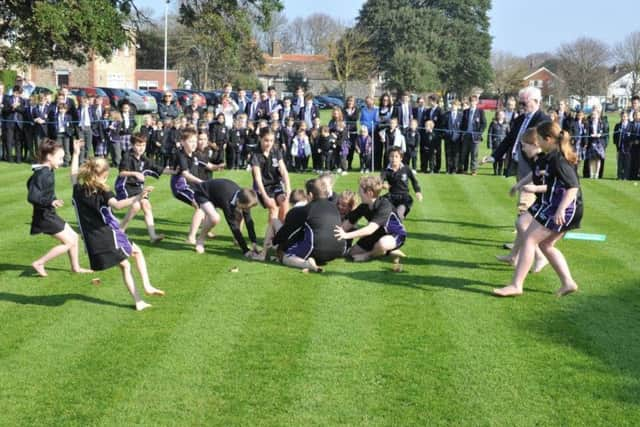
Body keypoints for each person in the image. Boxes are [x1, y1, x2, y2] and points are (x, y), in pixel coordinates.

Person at [70, 142, 165, 311]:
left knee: (129, 260)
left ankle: (142, 296)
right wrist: (139, 196)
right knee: (132, 259)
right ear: (104, 175)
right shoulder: (103, 191)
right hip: (108, 236)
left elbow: (73, 174)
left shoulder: (78, 189)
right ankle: (142, 295)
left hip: (92, 241)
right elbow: (118, 205)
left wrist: (76, 153)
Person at [494, 122, 582, 297]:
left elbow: (573, 187)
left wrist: (560, 210)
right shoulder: (551, 157)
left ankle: (516, 285)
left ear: (548, 139)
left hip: (560, 207)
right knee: (545, 244)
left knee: (529, 240)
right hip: (554, 205)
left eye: (539, 139)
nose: (538, 143)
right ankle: (568, 282)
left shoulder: (558, 160)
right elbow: (554, 185)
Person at [28, 139, 92, 277]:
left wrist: (76, 153)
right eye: (60, 158)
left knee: (74, 237)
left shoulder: (45, 170)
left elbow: (31, 184)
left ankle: (76, 268)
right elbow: (32, 196)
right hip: (44, 216)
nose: (62, 161)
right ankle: (39, 263)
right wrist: (50, 202)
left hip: (49, 213)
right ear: (49, 157)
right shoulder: (43, 173)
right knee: (69, 242)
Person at [495, 129, 548, 273]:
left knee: (522, 224)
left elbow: (557, 185)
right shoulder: (538, 159)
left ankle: (540, 257)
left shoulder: (546, 160)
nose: (523, 149)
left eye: (525, 145)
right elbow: (533, 174)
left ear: (535, 144)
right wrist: (518, 185)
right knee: (521, 224)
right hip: (542, 200)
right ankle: (513, 256)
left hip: (550, 203)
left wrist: (535, 189)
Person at [272, 178, 346, 272]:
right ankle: (311, 260)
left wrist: (275, 242)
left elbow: (287, 231)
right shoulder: (334, 207)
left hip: (318, 250)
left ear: (310, 195)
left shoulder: (306, 209)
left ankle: (307, 264)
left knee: (286, 256)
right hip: (339, 250)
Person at [334, 175, 407, 264]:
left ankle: (369, 255)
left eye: (360, 190)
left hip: (395, 234)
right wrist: (331, 236)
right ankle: (389, 251)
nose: (358, 193)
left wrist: (346, 235)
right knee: (352, 253)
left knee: (382, 243)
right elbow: (347, 224)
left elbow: (369, 229)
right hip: (377, 233)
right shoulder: (364, 206)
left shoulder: (384, 205)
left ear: (369, 193)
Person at [114, 134, 167, 242]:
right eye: (138, 145)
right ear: (133, 145)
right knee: (136, 206)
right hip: (125, 186)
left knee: (146, 205)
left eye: (143, 145)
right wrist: (135, 173)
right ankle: (121, 230)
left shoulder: (144, 158)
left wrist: (174, 172)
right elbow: (122, 173)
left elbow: (157, 169)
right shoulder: (127, 156)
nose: (141, 148)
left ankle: (153, 236)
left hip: (137, 187)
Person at [192, 178, 260, 256]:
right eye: (244, 207)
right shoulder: (227, 199)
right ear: (238, 201)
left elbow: (249, 221)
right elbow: (233, 226)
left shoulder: (244, 198)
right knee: (215, 218)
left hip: (216, 195)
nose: (246, 209)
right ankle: (200, 241)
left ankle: (237, 240)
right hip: (202, 193)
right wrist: (245, 250)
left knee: (239, 215)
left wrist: (254, 242)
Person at [170, 129, 207, 244]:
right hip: (180, 187)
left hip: (191, 186)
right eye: (190, 141)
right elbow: (185, 174)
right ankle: (191, 237)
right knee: (200, 206)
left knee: (205, 204)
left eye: (195, 141)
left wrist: (218, 166)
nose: (194, 144)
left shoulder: (194, 155)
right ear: (182, 142)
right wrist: (201, 182)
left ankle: (205, 228)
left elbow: (206, 164)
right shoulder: (181, 155)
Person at [251, 128, 291, 228]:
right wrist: (265, 197)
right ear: (260, 138)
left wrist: (288, 189)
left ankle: (280, 233)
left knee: (285, 204)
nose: (269, 143)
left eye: (271, 141)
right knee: (273, 207)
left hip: (276, 185)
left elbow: (284, 171)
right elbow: (258, 178)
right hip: (262, 187)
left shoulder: (276, 151)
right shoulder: (255, 154)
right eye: (266, 140)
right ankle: (270, 240)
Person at [380, 147, 423, 220]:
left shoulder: (406, 169)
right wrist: (382, 185)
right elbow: (379, 181)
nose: (394, 158)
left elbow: (414, 181)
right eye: (391, 156)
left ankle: (399, 216)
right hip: (391, 197)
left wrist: (418, 191)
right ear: (389, 158)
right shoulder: (386, 171)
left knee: (398, 215)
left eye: (396, 156)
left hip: (404, 198)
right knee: (381, 209)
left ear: (401, 158)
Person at [460, 95, 486, 175]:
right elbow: (462, 124)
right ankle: (465, 169)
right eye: (471, 101)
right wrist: (463, 132)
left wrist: (479, 133)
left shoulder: (480, 111)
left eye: (474, 101)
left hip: (475, 136)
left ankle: (473, 170)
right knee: (465, 153)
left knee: (474, 154)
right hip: (466, 135)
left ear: (476, 102)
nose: (472, 103)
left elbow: (484, 123)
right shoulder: (466, 111)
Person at [585, 108, 607, 179]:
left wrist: (599, 135)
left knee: (598, 159)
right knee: (591, 159)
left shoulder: (601, 123)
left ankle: (596, 174)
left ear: (598, 115)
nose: (593, 116)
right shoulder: (589, 123)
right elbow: (587, 133)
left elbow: (605, 132)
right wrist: (588, 140)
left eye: (595, 114)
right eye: (592, 114)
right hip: (591, 142)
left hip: (599, 142)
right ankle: (591, 174)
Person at [443, 100, 462, 174]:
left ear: (457, 106)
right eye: (452, 105)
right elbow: (443, 126)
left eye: (455, 105)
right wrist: (447, 132)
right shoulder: (446, 115)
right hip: (448, 137)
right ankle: (448, 169)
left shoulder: (461, 115)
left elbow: (462, 127)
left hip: (457, 138)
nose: (453, 107)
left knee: (456, 154)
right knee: (448, 153)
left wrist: (458, 134)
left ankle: (454, 169)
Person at [488, 110, 509, 176]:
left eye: (502, 114)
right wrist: (490, 143)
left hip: (503, 144)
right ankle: (495, 171)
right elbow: (490, 134)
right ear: (497, 115)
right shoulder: (493, 123)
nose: (500, 116)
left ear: (504, 116)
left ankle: (500, 171)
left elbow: (509, 135)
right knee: (494, 158)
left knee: (501, 158)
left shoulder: (506, 124)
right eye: (499, 114)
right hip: (495, 143)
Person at [613, 111, 632, 180]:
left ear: (627, 117)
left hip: (628, 148)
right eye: (622, 116)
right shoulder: (618, 125)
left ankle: (625, 176)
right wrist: (616, 144)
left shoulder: (630, 126)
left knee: (627, 163)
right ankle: (619, 176)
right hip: (620, 147)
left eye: (625, 116)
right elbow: (615, 136)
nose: (623, 118)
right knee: (619, 162)